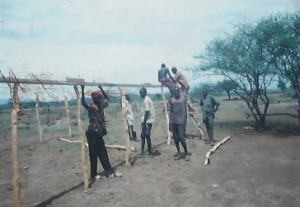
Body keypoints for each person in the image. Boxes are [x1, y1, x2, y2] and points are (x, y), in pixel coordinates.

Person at [81, 85, 122, 180]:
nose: (103, 100)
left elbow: (107, 99)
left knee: (102, 152)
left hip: (97, 132)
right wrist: (82, 90)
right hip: (92, 133)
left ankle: (108, 172)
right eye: (101, 99)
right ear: (98, 100)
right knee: (94, 154)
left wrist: (101, 89)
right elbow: (83, 102)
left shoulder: (100, 105)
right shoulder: (93, 107)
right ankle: (94, 174)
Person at [169, 87, 190, 161]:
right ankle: (179, 153)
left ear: (179, 91)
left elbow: (185, 112)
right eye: (175, 91)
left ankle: (186, 153)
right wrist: (170, 123)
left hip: (181, 122)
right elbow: (171, 112)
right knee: (176, 139)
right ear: (173, 92)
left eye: (177, 91)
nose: (176, 92)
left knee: (182, 138)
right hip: (173, 121)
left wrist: (184, 122)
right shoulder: (172, 100)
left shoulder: (183, 100)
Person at [139, 87, 155, 156]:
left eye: (142, 93)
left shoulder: (146, 100)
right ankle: (142, 152)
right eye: (140, 93)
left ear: (145, 93)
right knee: (143, 136)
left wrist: (144, 122)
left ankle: (149, 152)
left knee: (146, 136)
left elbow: (147, 111)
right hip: (146, 120)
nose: (141, 94)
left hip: (147, 121)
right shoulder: (147, 99)